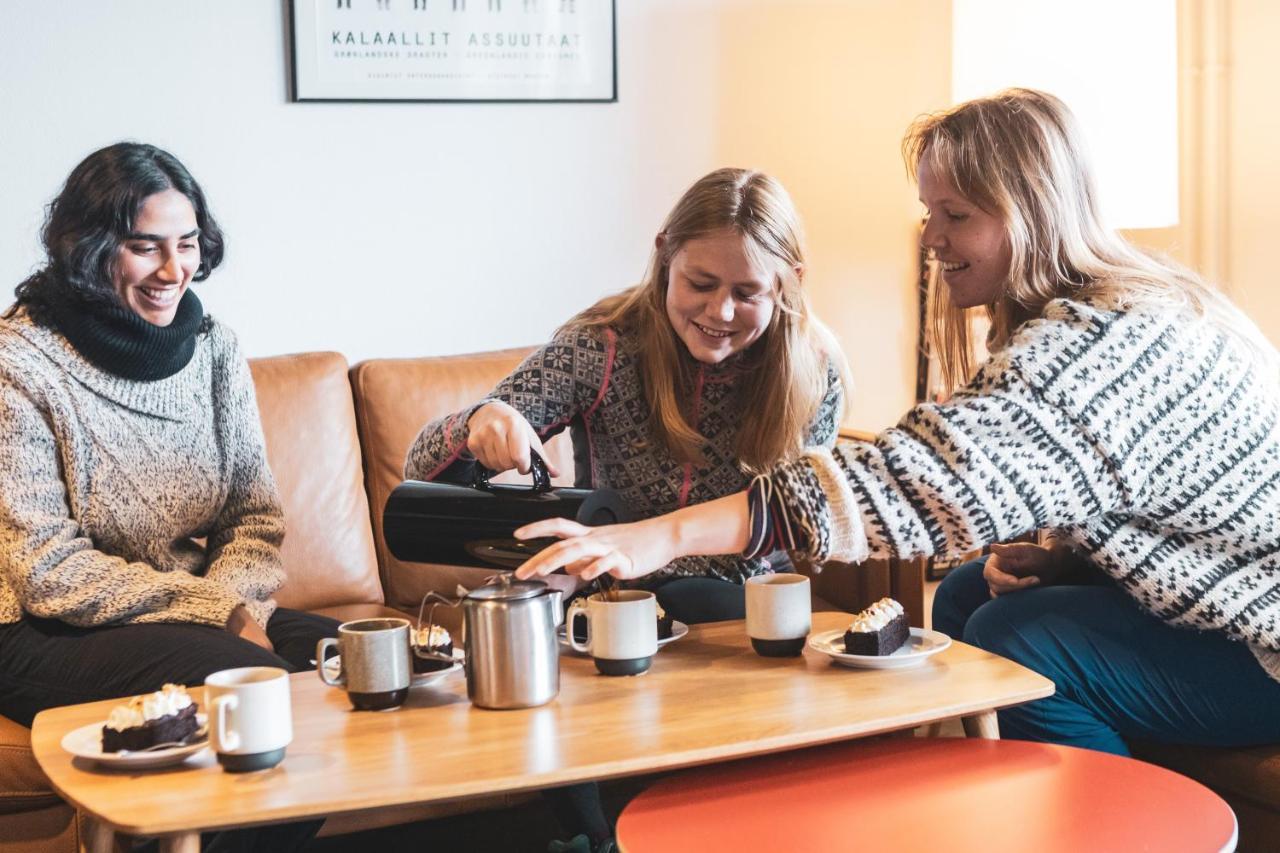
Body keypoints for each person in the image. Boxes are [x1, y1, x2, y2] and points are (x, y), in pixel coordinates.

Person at [512, 88, 1280, 758]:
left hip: (1262, 646)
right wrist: (1073, 563)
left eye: (956, 215)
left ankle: (1117, 820)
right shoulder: (1120, 303)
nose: (931, 237)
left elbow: (898, 487)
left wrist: (655, 535)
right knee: (968, 597)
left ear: (1029, 214)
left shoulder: (1105, 347)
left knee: (1018, 645)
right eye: (929, 212)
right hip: (1229, 606)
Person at [404, 167, 847, 852]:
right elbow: (420, 465)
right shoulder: (601, 347)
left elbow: (800, 518)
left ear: (787, 280)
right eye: (701, 283)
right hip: (609, 599)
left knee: (700, 593)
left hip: (743, 609)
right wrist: (480, 423)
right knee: (525, 630)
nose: (720, 312)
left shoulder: (816, 367)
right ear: (665, 251)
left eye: (747, 292)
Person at [0, 143, 339, 852]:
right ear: (91, 251)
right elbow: (47, 570)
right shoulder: (19, 364)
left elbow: (252, 515)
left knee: (353, 668)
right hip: (33, 630)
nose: (172, 270)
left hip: (187, 613)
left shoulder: (214, 348)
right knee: (257, 690)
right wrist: (219, 613)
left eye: (186, 244)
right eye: (143, 247)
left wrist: (226, 602)